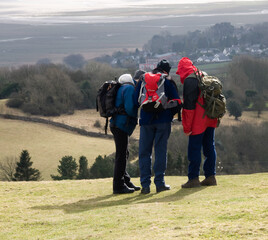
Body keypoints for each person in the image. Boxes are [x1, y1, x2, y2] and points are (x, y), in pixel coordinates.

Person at [135, 59, 181, 194]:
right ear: (167, 70)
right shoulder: (167, 80)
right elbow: (177, 102)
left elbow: (135, 100)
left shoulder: (143, 79)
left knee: (144, 153)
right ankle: (160, 183)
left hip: (146, 121)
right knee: (160, 151)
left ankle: (145, 186)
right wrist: (169, 114)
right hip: (163, 122)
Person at [176, 57, 218, 188]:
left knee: (194, 149)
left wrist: (187, 127)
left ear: (182, 69)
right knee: (209, 147)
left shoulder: (190, 80)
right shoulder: (203, 74)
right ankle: (210, 177)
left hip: (198, 120)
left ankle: (193, 178)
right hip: (210, 117)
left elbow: (189, 107)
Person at [110, 73, 140, 194]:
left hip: (115, 124)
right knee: (121, 156)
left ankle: (126, 181)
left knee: (124, 154)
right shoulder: (129, 88)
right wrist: (137, 115)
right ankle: (118, 186)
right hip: (121, 125)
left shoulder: (120, 88)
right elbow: (129, 108)